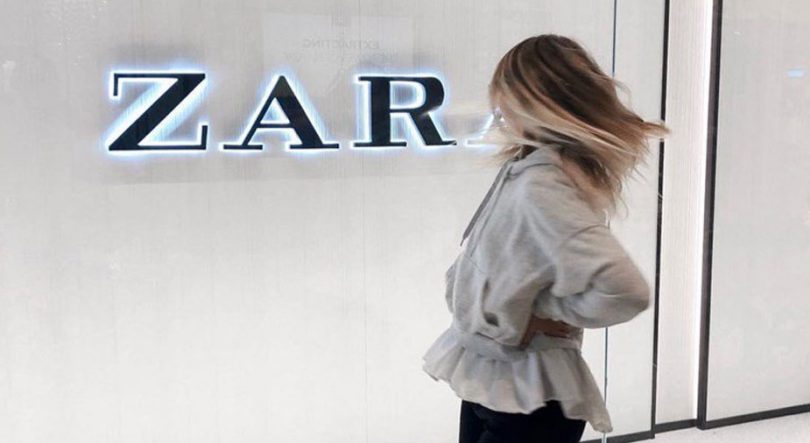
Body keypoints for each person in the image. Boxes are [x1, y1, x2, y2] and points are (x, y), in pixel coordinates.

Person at [421, 34, 669, 443]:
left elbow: (626, 291)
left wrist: (537, 312)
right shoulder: (528, 168)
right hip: (495, 379)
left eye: (505, 96)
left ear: (532, 100)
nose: (498, 109)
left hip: (529, 399)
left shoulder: (544, 183)